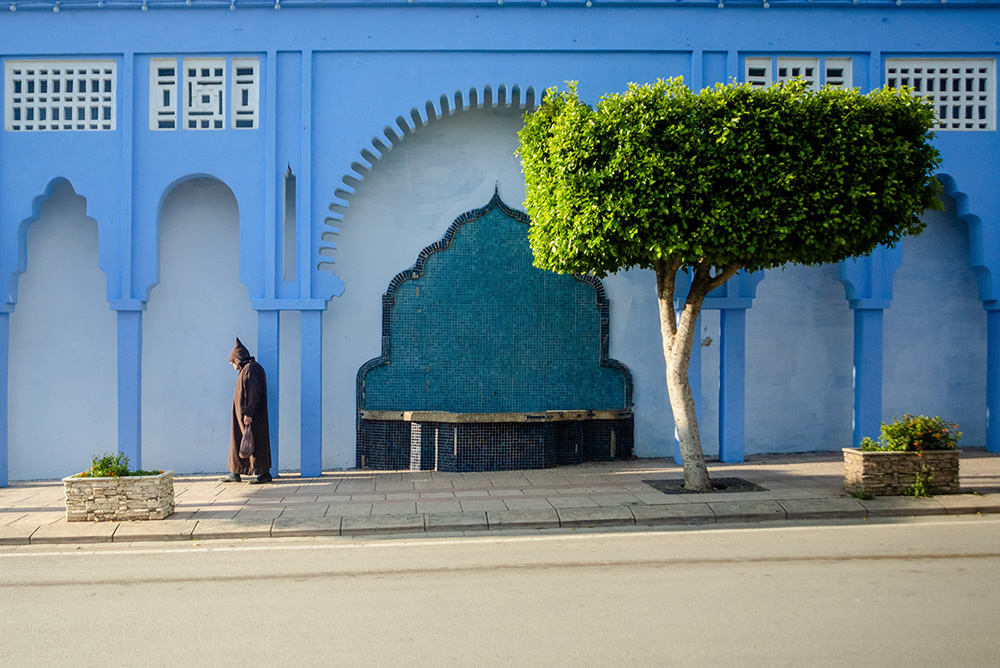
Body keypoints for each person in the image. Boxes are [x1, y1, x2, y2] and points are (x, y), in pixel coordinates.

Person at [221, 338, 273, 484]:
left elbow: (252, 392)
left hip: (250, 416)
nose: (232, 365)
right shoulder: (249, 369)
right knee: (242, 442)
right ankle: (235, 472)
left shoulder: (250, 369)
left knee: (253, 442)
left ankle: (263, 474)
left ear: (237, 359)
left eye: (232, 362)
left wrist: (248, 412)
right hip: (243, 415)